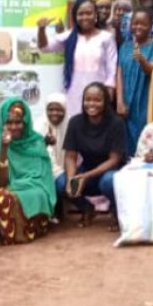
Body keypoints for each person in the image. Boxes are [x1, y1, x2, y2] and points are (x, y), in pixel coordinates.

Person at [0, 98, 57, 244]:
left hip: (34, 186)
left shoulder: (35, 141)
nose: (14, 127)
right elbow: (0, 182)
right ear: (2, 123)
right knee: (3, 196)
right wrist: (4, 149)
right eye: (9, 122)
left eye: (18, 122)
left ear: (25, 122)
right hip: (8, 185)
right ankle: (11, 235)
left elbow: (42, 177)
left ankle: (30, 231)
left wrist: (26, 185)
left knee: (38, 194)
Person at [57, 82, 127, 229]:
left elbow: (114, 160)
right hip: (87, 171)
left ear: (105, 101)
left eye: (97, 100)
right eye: (87, 99)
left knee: (108, 181)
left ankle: (117, 214)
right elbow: (70, 156)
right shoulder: (75, 122)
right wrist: (71, 179)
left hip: (110, 172)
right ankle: (87, 209)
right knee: (61, 183)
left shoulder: (116, 123)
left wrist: (85, 176)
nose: (91, 104)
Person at [37, 0, 118, 117]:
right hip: (74, 91)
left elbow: (111, 65)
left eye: (88, 13)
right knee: (75, 122)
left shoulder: (106, 38)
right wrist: (41, 29)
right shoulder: (69, 36)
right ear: (75, 16)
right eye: (81, 14)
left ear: (95, 14)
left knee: (97, 122)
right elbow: (45, 47)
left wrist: (110, 87)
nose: (85, 17)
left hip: (98, 91)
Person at [116, 9, 153, 155]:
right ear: (130, 25)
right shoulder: (125, 47)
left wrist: (142, 60)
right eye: (135, 23)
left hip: (145, 99)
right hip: (126, 102)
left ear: (151, 26)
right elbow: (119, 73)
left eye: (143, 24)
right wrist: (119, 101)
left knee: (144, 136)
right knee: (126, 142)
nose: (138, 27)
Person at [34, 93, 70, 178]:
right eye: (51, 110)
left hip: (68, 169)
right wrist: (45, 142)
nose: (55, 113)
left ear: (65, 109)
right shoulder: (39, 125)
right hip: (44, 171)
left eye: (59, 110)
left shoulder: (70, 124)